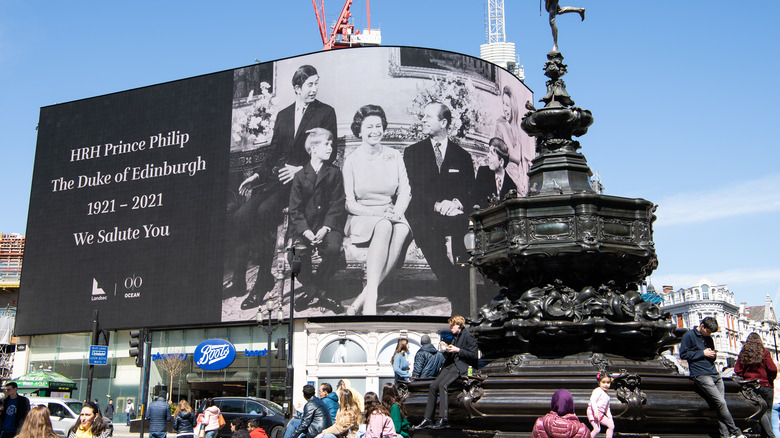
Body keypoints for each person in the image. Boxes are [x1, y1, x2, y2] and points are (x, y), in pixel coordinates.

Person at [230, 64, 338, 311]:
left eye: (316, 83)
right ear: (297, 88)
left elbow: (331, 154)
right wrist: (256, 175)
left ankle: (262, 281)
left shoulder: (325, 112)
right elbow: (273, 152)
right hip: (277, 180)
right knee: (240, 216)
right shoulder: (284, 114)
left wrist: (300, 170)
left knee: (265, 211)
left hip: (305, 183)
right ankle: (238, 281)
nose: (314, 89)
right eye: (309, 84)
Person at [343, 104, 412, 316]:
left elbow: (405, 190)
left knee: (400, 229)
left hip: (391, 212)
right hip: (362, 216)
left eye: (378, 126)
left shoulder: (394, 155)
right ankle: (371, 299)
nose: (375, 131)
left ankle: (361, 299)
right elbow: (349, 203)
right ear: (360, 130)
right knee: (383, 226)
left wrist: (398, 212)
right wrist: (377, 214)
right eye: (369, 126)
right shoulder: (352, 160)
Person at [403, 102, 474, 305]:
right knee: (426, 232)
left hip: (453, 213)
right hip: (424, 212)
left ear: (443, 122)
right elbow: (413, 189)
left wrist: (457, 203)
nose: (423, 120)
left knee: (464, 228)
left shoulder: (463, 156)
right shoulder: (412, 153)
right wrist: (436, 204)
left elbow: (470, 190)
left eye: (428, 117)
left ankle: (461, 291)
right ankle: (460, 293)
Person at [288, 128, 347, 313]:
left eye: (331, 143)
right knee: (295, 257)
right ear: (313, 148)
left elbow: (338, 203)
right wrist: (305, 230)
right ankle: (319, 293)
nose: (331, 147)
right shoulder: (300, 176)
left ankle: (312, 290)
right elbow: (295, 209)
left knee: (333, 249)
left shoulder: (334, 173)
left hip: (327, 227)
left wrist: (326, 227)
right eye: (326, 144)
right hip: (303, 228)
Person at [679, 317, 745, 438]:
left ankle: (725, 435)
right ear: (702, 325)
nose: (709, 334)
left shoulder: (708, 338)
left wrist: (713, 355)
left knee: (720, 405)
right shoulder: (688, 335)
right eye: (708, 331)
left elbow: (710, 356)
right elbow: (683, 354)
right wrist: (702, 353)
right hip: (701, 374)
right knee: (721, 402)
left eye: (711, 332)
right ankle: (736, 432)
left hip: (714, 373)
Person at [414, 315, 478, 430]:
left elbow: (473, 355)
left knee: (443, 385)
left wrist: (458, 350)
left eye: (452, 325)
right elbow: (452, 352)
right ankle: (428, 419)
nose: (450, 328)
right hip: (450, 365)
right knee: (433, 386)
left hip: (460, 366)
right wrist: (446, 348)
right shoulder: (455, 337)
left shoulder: (469, 336)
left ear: (459, 325)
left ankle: (444, 419)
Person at [735, 332, 777, 438]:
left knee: (758, 411)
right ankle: (769, 435)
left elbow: (737, 370)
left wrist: (746, 376)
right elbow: (772, 369)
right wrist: (770, 378)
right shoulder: (764, 352)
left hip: (750, 387)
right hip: (765, 385)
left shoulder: (744, 354)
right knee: (767, 412)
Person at [474, 137, 518, 205]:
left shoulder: (511, 186)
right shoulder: (482, 173)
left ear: (501, 162)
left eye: (491, 153)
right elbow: (475, 202)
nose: (488, 155)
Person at [587, 372, 614, 438]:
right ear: (599, 382)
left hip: (601, 414)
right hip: (593, 412)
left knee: (611, 425)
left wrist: (610, 418)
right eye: (603, 382)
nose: (606, 385)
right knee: (597, 429)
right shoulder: (597, 391)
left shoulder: (607, 396)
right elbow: (593, 401)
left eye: (608, 383)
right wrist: (595, 412)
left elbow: (607, 408)